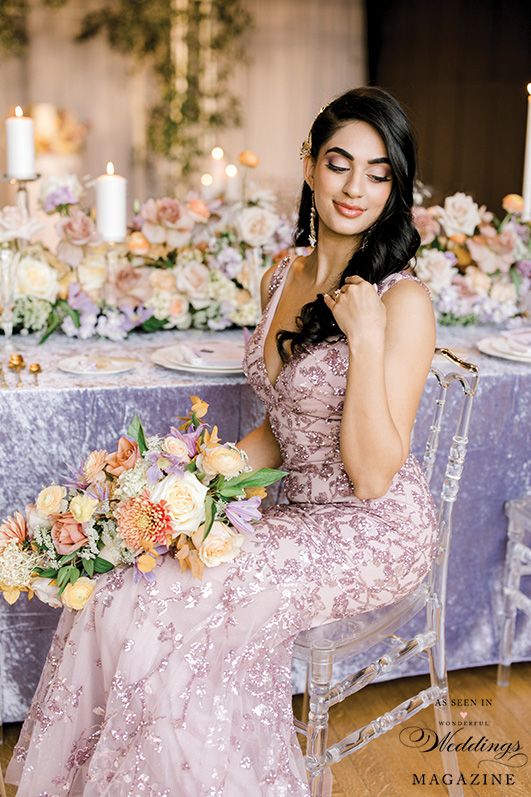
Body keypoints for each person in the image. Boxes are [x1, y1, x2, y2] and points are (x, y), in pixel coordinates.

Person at [7, 86, 438, 796]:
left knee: (170, 606)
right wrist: (193, 494)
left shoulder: (400, 300)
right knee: (123, 583)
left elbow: (369, 475)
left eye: (378, 171)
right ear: (307, 165)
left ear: (395, 185)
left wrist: (364, 337)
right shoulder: (280, 274)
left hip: (372, 529)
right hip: (291, 514)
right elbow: (282, 424)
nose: (355, 187)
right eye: (339, 163)